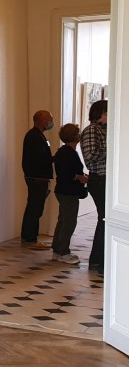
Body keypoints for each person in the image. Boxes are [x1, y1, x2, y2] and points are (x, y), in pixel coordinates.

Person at [51, 123, 89, 264]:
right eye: (78, 133)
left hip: (64, 190)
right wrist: (80, 177)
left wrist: (80, 176)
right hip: (68, 192)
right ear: (74, 136)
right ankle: (63, 252)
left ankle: (57, 250)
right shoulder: (67, 153)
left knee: (63, 220)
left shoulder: (65, 151)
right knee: (69, 222)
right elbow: (66, 173)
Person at [80, 99, 107, 272]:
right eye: (106, 113)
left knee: (104, 219)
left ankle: (98, 259)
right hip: (99, 179)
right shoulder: (91, 130)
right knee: (105, 219)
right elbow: (90, 155)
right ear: (99, 114)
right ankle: (99, 260)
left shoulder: (104, 130)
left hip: (104, 179)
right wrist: (112, 149)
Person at [21, 109, 54, 249]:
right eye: (49, 119)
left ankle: (29, 237)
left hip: (38, 177)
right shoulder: (34, 136)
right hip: (37, 178)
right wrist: (54, 158)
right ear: (41, 121)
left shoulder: (39, 135)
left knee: (35, 208)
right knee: (35, 208)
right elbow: (39, 158)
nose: (51, 122)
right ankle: (30, 239)